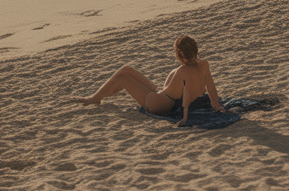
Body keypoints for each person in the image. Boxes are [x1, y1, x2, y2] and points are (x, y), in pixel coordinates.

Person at [72, 35, 224, 126]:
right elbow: (211, 88)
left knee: (121, 77)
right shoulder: (203, 64)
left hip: (157, 103)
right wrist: (216, 105)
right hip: (162, 95)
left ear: (180, 54)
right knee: (126, 69)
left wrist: (185, 118)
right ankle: (108, 91)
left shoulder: (183, 70)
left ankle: (93, 99)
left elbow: (189, 94)